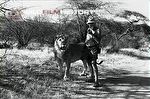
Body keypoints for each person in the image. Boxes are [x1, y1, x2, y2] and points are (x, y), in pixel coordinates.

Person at [85, 16, 102, 87]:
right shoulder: (88, 29)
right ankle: (91, 77)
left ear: (94, 23)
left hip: (94, 48)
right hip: (87, 48)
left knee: (94, 63)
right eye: (89, 23)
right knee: (88, 62)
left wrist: (92, 34)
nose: (90, 25)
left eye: (91, 23)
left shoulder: (97, 30)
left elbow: (98, 41)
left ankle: (96, 81)